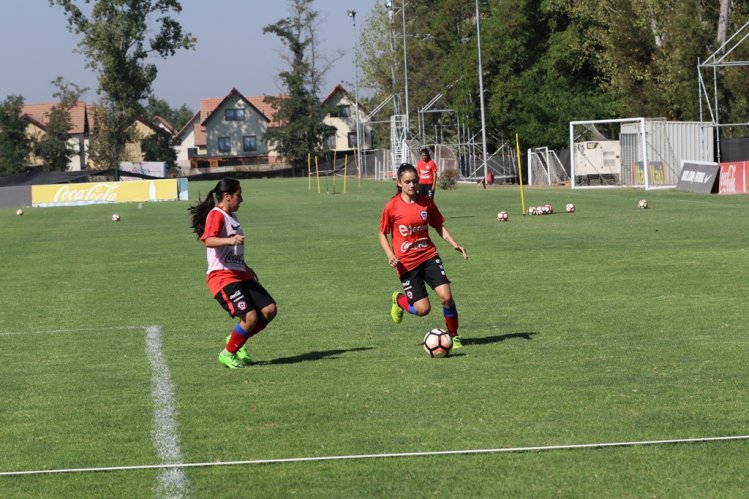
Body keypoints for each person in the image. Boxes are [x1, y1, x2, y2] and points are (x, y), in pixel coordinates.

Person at [188, 178, 277, 369]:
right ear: (227, 196)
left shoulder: (233, 217)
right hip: (222, 276)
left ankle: (236, 337)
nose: (241, 199)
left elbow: (232, 251)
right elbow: (208, 240)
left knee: (269, 309)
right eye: (239, 194)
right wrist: (230, 241)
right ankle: (227, 353)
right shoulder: (216, 214)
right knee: (250, 318)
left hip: (239, 273)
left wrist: (245, 267)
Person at [378, 163, 468, 347]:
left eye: (415, 181)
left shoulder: (426, 202)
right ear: (399, 183)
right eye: (407, 182)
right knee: (422, 309)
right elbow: (382, 232)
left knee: (446, 297)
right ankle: (399, 300)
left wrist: (455, 244)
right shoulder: (392, 207)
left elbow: (438, 226)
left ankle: (454, 335)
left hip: (428, 256)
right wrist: (389, 254)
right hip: (406, 264)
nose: (412, 185)